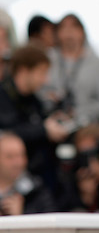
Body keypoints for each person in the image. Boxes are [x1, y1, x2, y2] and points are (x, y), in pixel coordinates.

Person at [0, 45, 69, 189]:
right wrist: (44, 130)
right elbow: (8, 133)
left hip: (42, 174)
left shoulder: (33, 99)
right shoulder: (3, 97)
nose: (45, 80)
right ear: (24, 71)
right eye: (41, 73)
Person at [39, 14, 99, 126]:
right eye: (64, 28)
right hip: (50, 120)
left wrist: (78, 113)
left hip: (87, 124)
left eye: (74, 27)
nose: (69, 32)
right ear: (57, 33)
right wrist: (48, 98)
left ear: (82, 32)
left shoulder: (98, 64)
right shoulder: (47, 60)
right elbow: (37, 90)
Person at [0, 131, 56, 215]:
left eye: (21, 155)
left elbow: (50, 218)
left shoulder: (37, 190)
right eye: (10, 156)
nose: (18, 162)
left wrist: (21, 216)